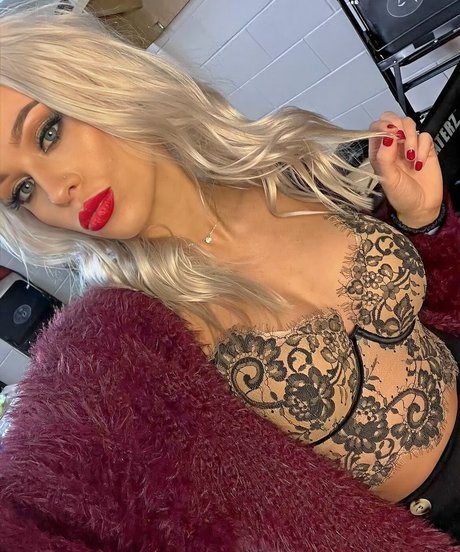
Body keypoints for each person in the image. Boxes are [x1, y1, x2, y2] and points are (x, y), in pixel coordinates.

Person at [0, 0, 458, 542]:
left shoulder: (287, 164)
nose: (56, 192)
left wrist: (423, 221)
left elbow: (432, 310)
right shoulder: (126, 343)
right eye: (21, 190)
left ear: (99, 81)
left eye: (48, 133)